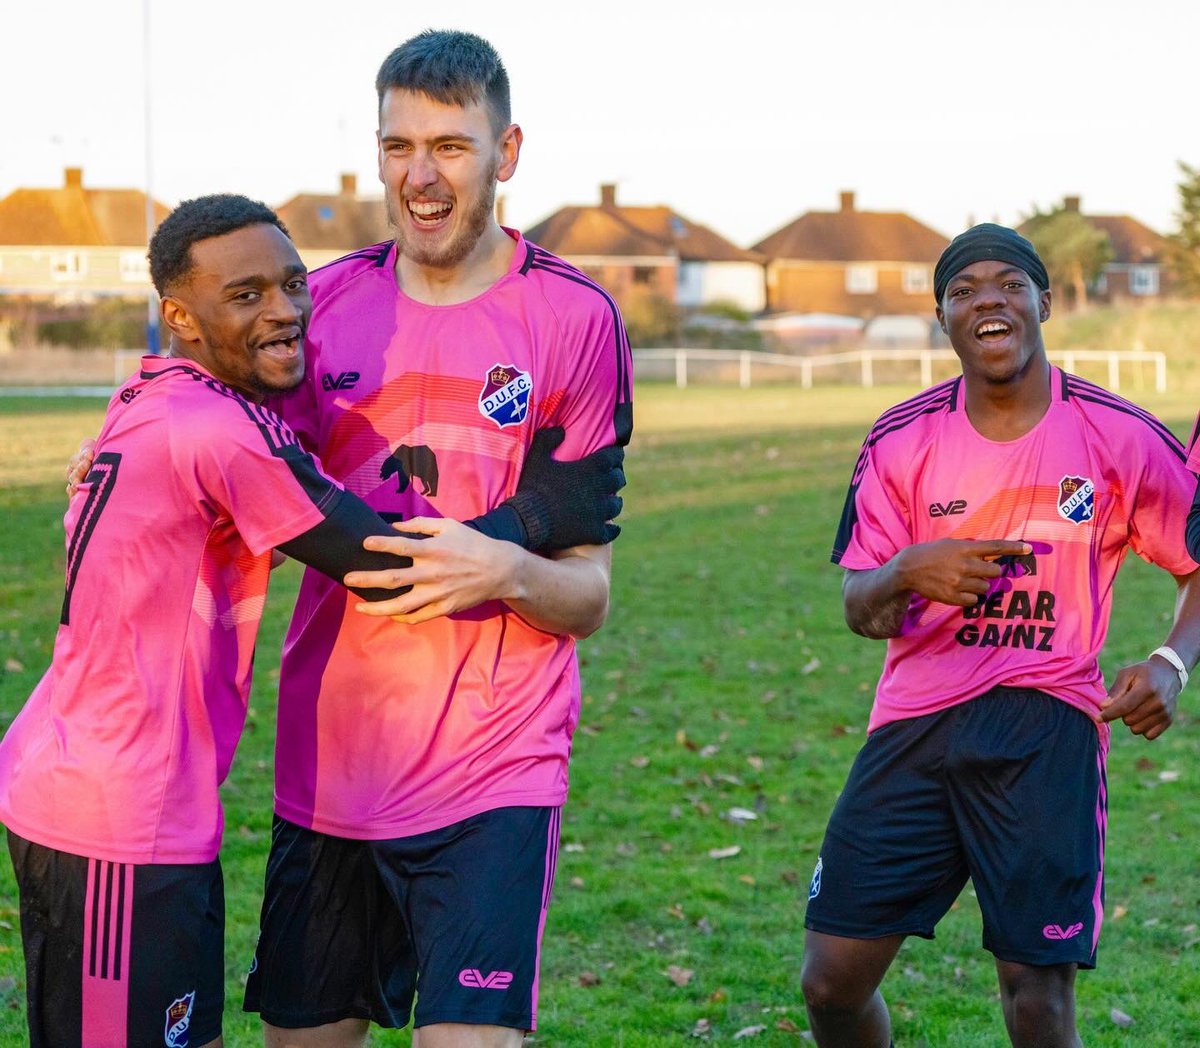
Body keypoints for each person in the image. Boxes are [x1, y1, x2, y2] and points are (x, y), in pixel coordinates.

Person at [11, 194, 622, 1048]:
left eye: (293, 284)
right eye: (245, 295)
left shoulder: (150, 395)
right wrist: (540, 517)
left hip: (144, 800)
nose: (286, 309)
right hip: (112, 808)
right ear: (179, 317)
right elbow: (383, 563)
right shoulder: (221, 430)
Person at [235, 30, 633, 1048]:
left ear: (507, 153)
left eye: (451, 146)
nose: (421, 174)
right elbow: (221, 449)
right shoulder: (320, 308)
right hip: (331, 763)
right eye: (399, 145)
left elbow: (589, 592)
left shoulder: (574, 318)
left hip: (495, 768)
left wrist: (503, 567)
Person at [802, 224, 1200, 1048]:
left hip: (1046, 729)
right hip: (915, 726)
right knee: (831, 984)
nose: (989, 299)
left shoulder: (1117, 434)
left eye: (1010, 284)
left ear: (1043, 302)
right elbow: (858, 606)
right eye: (964, 289)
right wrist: (907, 571)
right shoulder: (899, 438)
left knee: (1037, 998)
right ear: (942, 317)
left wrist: (1172, 660)